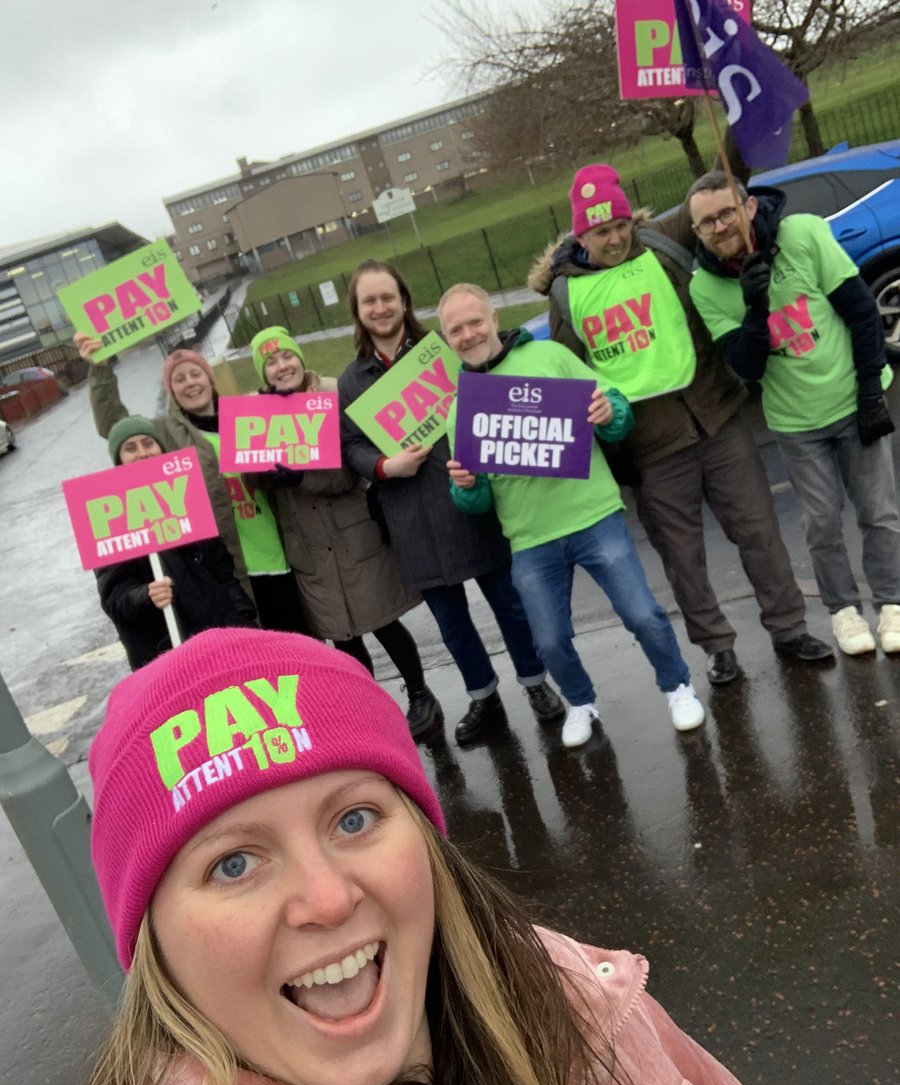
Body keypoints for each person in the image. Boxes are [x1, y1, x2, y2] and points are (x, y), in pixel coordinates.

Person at [84, 625, 805, 1085]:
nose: (328, 899)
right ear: (153, 942)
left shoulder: (584, 993)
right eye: (233, 864)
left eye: (355, 819)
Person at [529, 163, 832, 685]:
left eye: (622, 225)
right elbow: (568, 378)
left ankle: (788, 628)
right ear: (582, 235)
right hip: (650, 448)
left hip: (717, 415)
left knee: (759, 531)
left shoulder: (660, 243)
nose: (617, 238)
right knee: (683, 558)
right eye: (603, 232)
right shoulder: (564, 296)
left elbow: (726, 185)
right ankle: (717, 647)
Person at [441, 283, 705, 748]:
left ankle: (677, 686)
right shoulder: (461, 407)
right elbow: (475, 502)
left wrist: (609, 412)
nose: (468, 334)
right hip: (529, 537)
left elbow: (616, 412)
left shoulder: (551, 358)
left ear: (493, 318)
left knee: (642, 614)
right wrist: (467, 487)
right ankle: (580, 702)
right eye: (455, 329)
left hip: (593, 515)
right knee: (549, 642)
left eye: (475, 321)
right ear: (446, 339)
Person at [337, 260, 563, 744]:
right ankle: (483, 695)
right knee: (452, 624)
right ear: (358, 311)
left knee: (510, 605)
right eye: (369, 301)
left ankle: (536, 682)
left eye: (388, 297)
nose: (380, 308)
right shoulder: (350, 380)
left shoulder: (443, 351)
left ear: (403, 300)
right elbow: (350, 445)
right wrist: (384, 467)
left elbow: (495, 392)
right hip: (410, 516)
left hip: (469, 498)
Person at [686, 170, 900, 656]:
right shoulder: (705, 287)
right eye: (706, 224)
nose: (719, 227)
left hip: (851, 395)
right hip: (795, 420)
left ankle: (891, 602)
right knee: (822, 520)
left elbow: (862, 312)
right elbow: (745, 364)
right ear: (696, 233)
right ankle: (843, 610)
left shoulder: (802, 233)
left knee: (878, 512)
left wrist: (871, 391)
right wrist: (754, 307)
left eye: (726, 213)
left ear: (750, 208)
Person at [248, 325, 438, 736]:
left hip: (350, 531)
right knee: (344, 637)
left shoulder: (334, 395)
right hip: (308, 543)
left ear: (300, 357)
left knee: (383, 620)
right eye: (271, 362)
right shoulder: (256, 415)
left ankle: (421, 694)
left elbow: (349, 471)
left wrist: (298, 478)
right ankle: (367, 710)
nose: (282, 366)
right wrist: (263, 472)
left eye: (286, 356)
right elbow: (254, 480)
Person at [74, 334, 311, 637]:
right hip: (229, 567)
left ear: (210, 379)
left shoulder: (246, 417)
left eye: (195, 373)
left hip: (278, 554)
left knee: (301, 645)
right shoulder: (165, 434)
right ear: (171, 391)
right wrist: (100, 370)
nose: (190, 383)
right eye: (179, 379)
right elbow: (115, 426)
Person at [95, 416, 257, 669]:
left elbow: (223, 570)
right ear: (118, 460)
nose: (142, 453)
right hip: (166, 654)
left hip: (220, 641)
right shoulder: (109, 515)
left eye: (148, 443)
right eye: (130, 448)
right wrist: (145, 596)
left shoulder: (188, 495)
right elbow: (115, 599)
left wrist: (243, 617)